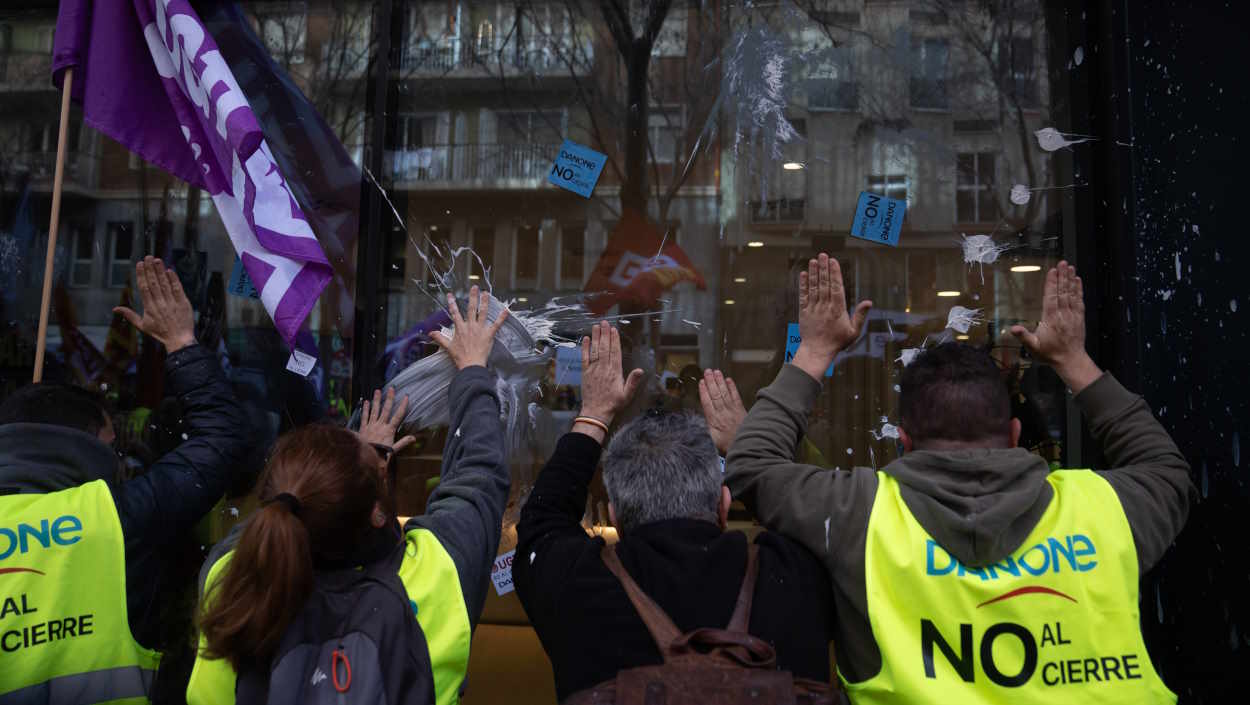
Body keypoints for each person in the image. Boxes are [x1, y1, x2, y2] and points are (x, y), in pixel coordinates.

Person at [727, 255, 1194, 703]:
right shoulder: (1100, 512)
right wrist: (1073, 361)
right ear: (1015, 435)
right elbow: (1166, 470)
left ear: (904, 441)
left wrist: (814, 352)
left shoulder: (862, 516)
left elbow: (752, 464)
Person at [186, 286, 512, 705]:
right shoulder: (430, 581)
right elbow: (479, 475)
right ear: (378, 514)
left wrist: (348, 469)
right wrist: (472, 371)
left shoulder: (231, 582)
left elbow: (290, 499)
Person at [514, 321, 837, 701]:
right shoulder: (796, 573)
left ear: (615, 516)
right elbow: (810, 515)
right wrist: (748, 452)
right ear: (724, 504)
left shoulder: (579, 585)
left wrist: (595, 413)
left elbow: (541, 522)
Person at [0, 256, 249, 702]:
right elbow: (219, 442)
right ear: (83, 447)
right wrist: (181, 343)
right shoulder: (111, 518)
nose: (122, 462)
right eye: (113, 447)